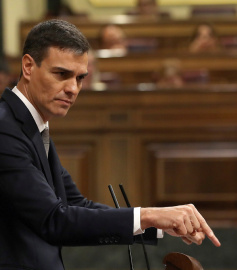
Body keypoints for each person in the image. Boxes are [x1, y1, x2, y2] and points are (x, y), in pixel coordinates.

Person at [0, 19, 220, 270]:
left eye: (80, 78)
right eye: (61, 74)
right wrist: (148, 216)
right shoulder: (5, 129)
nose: (73, 88)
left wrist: (156, 223)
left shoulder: (32, 127)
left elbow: (76, 206)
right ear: (28, 66)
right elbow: (54, 220)